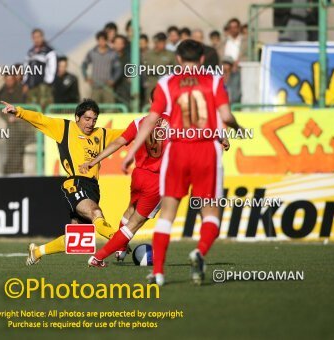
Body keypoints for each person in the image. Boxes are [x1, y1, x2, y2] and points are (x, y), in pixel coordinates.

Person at [122, 40, 244, 286]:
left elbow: (151, 120)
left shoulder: (167, 82)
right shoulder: (214, 81)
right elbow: (225, 116)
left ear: (178, 59)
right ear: (202, 60)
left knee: (167, 213)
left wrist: (130, 152)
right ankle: (199, 252)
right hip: (206, 151)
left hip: (177, 151)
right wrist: (235, 129)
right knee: (210, 214)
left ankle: (157, 273)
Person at [0, 99, 124, 265]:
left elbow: (127, 134)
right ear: (77, 117)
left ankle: (37, 252)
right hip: (75, 183)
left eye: (94, 119)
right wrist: (18, 111)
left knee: (77, 239)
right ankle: (121, 242)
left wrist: (151, 125)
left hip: (93, 187)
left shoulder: (101, 134)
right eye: (87, 119)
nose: (90, 123)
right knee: (96, 213)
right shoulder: (64, 127)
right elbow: (41, 119)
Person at [80, 90, 168, 267]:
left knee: (130, 210)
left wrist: (94, 161)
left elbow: (118, 143)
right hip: (157, 181)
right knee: (135, 223)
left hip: (138, 175)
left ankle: (120, 250)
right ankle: (98, 257)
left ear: (150, 101)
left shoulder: (139, 122)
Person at [81, 31, 121, 105]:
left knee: (110, 109)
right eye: (100, 40)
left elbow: (118, 69)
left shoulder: (112, 53)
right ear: (97, 41)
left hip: (107, 87)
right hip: (95, 86)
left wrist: (113, 80)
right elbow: (84, 65)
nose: (102, 42)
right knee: (94, 108)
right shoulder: (92, 52)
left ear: (106, 41)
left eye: (103, 40)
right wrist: (86, 77)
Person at [23, 28, 57, 110]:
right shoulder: (30, 52)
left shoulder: (49, 51)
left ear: (42, 37)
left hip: (43, 86)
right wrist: (25, 82)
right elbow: (26, 68)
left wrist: (48, 82)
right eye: (34, 37)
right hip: (31, 86)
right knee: (31, 110)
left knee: (44, 108)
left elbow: (52, 68)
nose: (36, 39)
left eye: (38, 37)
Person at [143, 32, 176, 100]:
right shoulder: (148, 55)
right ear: (155, 43)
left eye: (163, 42)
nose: (162, 44)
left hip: (167, 86)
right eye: (160, 42)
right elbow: (145, 69)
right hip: (152, 86)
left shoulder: (170, 54)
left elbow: (177, 69)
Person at [113, 35, 131, 108]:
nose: (118, 45)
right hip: (112, 86)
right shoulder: (109, 56)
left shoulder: (128, 57)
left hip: (124, 86)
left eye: (120, 43)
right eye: (116, 43)